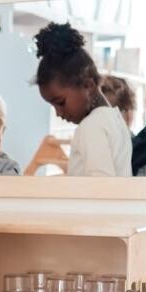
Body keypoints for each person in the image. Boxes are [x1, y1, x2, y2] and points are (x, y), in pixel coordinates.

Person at [34, 22, 133, 177]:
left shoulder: (91, 126)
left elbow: (100, 186)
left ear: (88, 86)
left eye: (60, 103)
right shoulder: (115, 119)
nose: (58, 113)